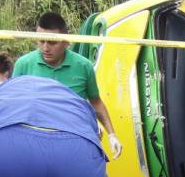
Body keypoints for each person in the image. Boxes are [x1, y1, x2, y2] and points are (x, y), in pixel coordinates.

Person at [12, 12, 122, 159]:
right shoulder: (24, 64)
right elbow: (12, 104)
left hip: (74, 142)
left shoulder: (84, 66)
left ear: (66, 42)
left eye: (52, 42)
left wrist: (111, 134)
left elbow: (95, 101)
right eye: (41, 41)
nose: (45, 48)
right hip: (35, 143)